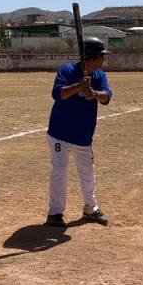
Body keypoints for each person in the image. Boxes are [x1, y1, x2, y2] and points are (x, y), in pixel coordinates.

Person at [45, 37, 113, 227]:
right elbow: (58, 94)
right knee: (59, 171)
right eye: (101, 57)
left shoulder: (99, 75)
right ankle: (55, 214)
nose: (104, 61)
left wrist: (94, 93)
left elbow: (107, 96)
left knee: (88, 173)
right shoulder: (66, 71)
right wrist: (78, 86)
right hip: (60, 133)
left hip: (83, 136)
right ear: (90, 58)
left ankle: (91, 209)